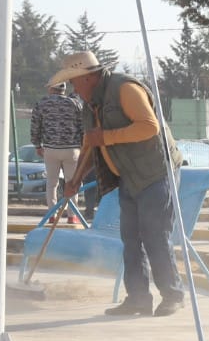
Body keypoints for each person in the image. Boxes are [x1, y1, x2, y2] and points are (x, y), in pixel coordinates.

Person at [54, 50, 185, 317]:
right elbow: (91, 143)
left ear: (88, 77)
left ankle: (172, 295)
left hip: (155, 173)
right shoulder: (92, 104)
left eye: (75, 82)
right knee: (130, 238)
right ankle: (138, 299)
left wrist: (108, 137)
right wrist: (75, 180)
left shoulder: (125, 88)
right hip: (128, 176)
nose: (73, 89)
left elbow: (149, 127)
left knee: (155, 236)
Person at [30, 83, 85, 210]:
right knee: (71, 181)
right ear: (64, 90)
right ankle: (73, 214)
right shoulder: (75, 103)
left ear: (51, 88)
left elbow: (35, 126)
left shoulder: (41, 104)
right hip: (72, 149)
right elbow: (83, 126)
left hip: (50, 148)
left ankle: (52, 214)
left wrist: (37, 145)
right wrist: (82, 145)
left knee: (52, 183)